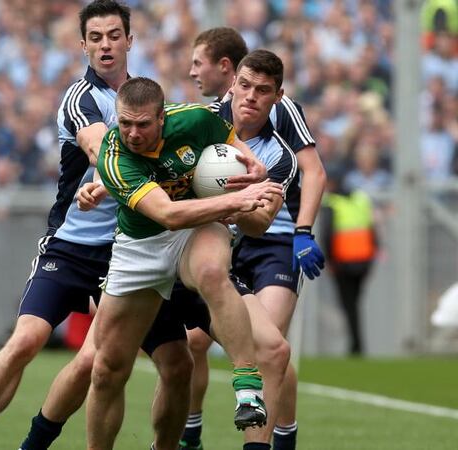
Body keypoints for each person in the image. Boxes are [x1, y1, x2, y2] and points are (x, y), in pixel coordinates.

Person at [0, 3, 202, 449]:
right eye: (96, 37)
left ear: (129, 41)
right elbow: (100, 145)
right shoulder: (81, 98)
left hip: (131, 248)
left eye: (114, 35)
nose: (106, 44)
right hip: (74, 244)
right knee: (26, 340)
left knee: (161, 363)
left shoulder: (147, 99)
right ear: (83, 45)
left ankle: (37, 444)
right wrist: (108, 178)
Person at [87, 76, 283, 450]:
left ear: (162, 117)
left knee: (212, 272)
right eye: (125, 123)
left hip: (197, 228)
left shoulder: (196, 120)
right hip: (141, 245)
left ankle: (247, 389)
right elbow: (167, 215)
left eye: (143, 124)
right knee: (106, 370)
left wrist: (255, 172)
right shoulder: (115, 155)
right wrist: (235, 204)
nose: (132, 133)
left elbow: (239, 154)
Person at [184, 27, 327, 450]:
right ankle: (189, 430)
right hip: (225, 240)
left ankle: (275, 440)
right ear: (231, 83)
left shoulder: (282, 137)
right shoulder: (204, 121)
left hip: (276, 240)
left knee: (270, 345)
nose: (250, 96)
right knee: (194, 341)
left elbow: (314, 172)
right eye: (244, 86)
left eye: (262, 90)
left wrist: (302, 232)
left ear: (276, 95)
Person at [321, 169, 377, 356]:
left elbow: (327, 234)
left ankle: (356, 346)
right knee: (355, 303)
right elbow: (372, 229)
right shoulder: (362, 198)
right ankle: (357, 344)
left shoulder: (332, 202)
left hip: (342, 262)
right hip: (364, 260)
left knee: (348, 304)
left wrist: (328, 261)